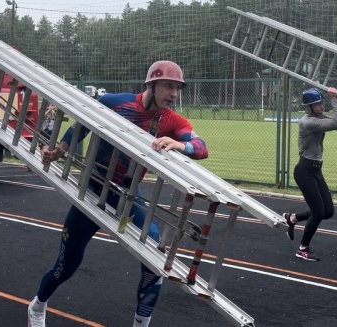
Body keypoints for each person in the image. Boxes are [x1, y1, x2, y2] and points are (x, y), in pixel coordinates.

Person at [28, 61, 208, 327]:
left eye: (178, 88)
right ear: (151, 84)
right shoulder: (115, 102)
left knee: (155, 260)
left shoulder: (171, 120)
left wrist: (180, 144)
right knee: (66, 265)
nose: (174, 93)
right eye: (168, 86)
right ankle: (37, 307)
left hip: (127, 197)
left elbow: (201, 147)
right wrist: (59, 150)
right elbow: (82, 124)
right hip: (91, 191)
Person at [282, 87, 337, 262]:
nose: (320, 106)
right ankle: (303, 249)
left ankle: (293, 218)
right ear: (308, 107)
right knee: (318, 212)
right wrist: (335, 99)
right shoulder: (308, 122)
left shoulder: (318, 118)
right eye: (316, 104)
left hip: (316, 170)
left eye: (320, 102)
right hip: (305, 171)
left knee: (328, 212)